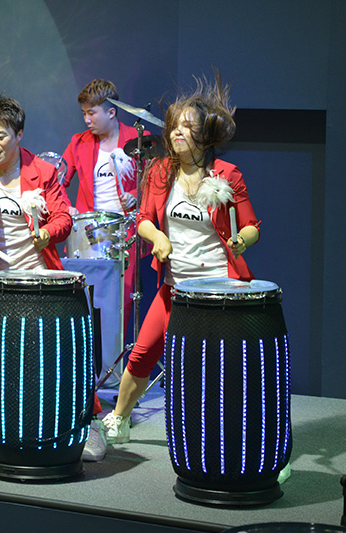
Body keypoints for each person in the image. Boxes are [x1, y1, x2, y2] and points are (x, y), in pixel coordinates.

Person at [0, 94, 109, 462]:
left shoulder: (42, 171)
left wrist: (47, 233)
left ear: (19, 135)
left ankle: (90, 422)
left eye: (1, 135)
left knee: (65, 352)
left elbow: (64, 218)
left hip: (38, 277)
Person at [102, 74, 260, 444]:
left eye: (187, 127)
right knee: (142, 353)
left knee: (225, 369)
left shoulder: (227, 175)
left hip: (218, 292)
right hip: (174, 288)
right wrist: (157, 237)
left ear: (204, 135)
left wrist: (240, 241)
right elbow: (143, 220)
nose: (177, 132)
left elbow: (252, 226)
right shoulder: (160, 171)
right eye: (174, 126)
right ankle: (119, 420)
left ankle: (248, 438)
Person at [61, 79, 147, 340]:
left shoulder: (138, 140)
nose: (86, 120)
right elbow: (56, 181)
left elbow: (156, 184)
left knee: (124, 299)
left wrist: (136, 195)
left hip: (125, 232)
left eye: (91, 113)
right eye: (83, 113)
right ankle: (89, 358)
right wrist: (66, 207)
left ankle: (116, 356)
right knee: (86, 298)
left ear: (111, 112)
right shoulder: (78, 143)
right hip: (90, 232)